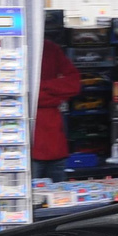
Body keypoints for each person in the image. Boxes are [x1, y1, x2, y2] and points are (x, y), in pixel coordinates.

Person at [30, 34, 82, 182]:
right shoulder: (4, 45)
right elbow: (15, 92)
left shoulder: (50, 48)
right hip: (27, 149)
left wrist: (39, 87)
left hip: (55, 146)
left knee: (59, 199)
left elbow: (74, 84)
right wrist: (53, 93)